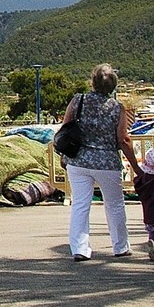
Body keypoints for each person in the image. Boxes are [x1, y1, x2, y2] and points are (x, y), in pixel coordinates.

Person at [61, 63, 142, 261]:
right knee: (114, 204)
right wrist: (137, 167)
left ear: (93, 82)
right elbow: (123, 140)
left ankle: (80, 248)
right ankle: (120, 246)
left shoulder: (78, 101)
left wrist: (63, 156)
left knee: (80, 204)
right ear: (113, 86)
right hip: (107, 163)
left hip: (79, 160)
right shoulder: (118, 108)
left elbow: (65, 128)